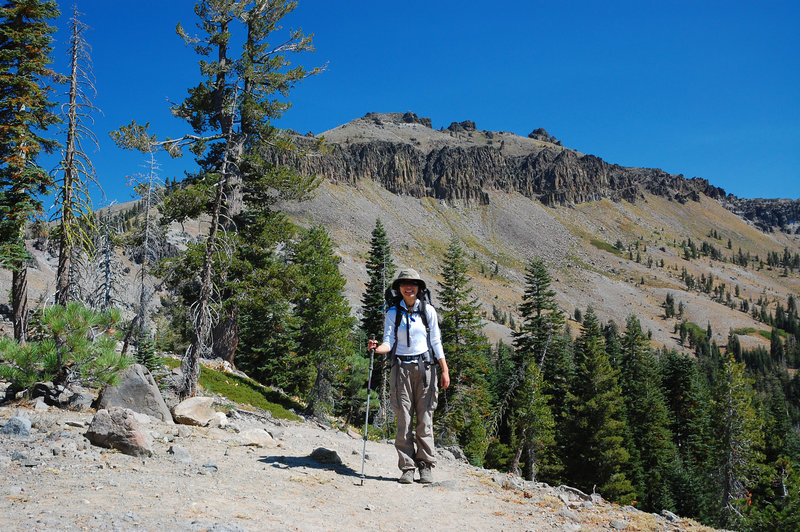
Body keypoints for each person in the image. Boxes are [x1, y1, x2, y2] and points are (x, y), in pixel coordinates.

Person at [367, 268, 450, 484]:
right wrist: (377, 349)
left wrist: (445, 369)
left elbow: (436, 342)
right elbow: (388, 342)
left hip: (426, 368)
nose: (409, 287)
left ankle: (425, 466)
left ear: (419, 287)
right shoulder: (393, 314)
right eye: (405, 284)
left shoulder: (428, 311)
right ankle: (407, 467)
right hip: (400, 369)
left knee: (424, 419)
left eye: (413, 283)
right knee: (404, 418)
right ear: (399, 288)